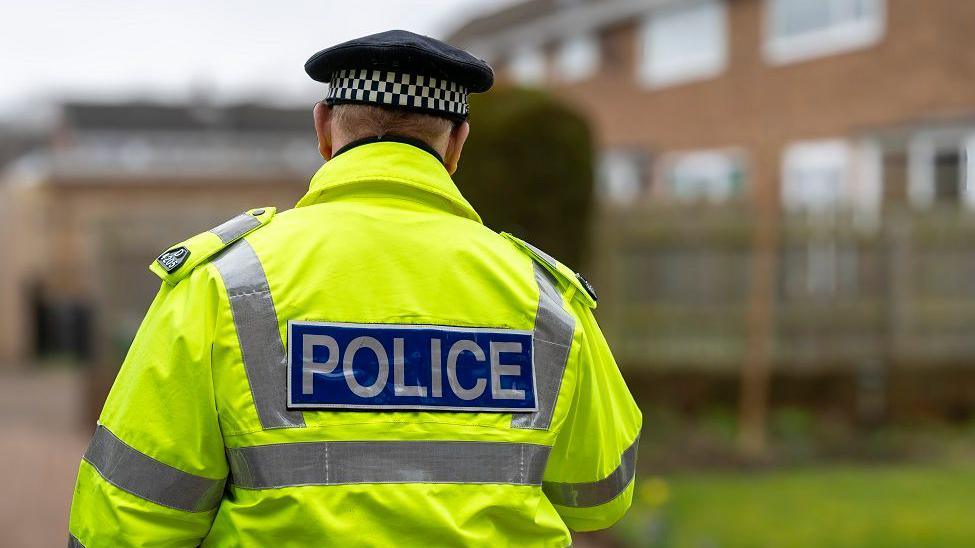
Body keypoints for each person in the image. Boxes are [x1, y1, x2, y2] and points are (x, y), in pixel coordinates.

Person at [67, 30, 641, 547]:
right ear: (458, 142)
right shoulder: (545, 296)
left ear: (322, 127)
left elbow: (125, 521)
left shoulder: (224, 282)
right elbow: (599, 495)